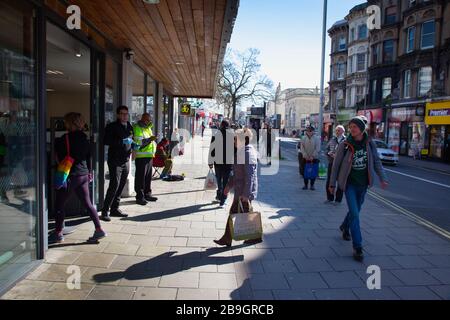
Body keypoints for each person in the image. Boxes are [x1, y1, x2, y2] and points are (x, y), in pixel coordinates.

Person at [329, 116, 388, 262]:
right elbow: (336, 166)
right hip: (349, 185)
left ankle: (344, 226)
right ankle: (358, 246)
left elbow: (376, 162)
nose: (352, 129)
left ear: (361, 129)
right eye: (350, 127)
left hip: (363, 185)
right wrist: (332, 184)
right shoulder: (345, 145)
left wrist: (383, 177)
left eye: (354, 127)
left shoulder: (369, 143)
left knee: (355, 212)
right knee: (355, 213)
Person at [54, 113, 107, 243]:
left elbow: (59, 158)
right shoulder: (85, 139)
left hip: (70, 175)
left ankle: (58, 233)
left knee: (59, 205)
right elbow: (89, 157)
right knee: (88, 204)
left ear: (69, 123)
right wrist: (89, 172)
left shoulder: (64, 139)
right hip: (83, 175)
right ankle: (99, 229)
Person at [214, 127, 260, 247]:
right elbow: (237, 173)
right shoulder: (242, 151)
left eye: (235, 139)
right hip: (241, 190)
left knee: (245, 214)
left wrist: (246, 194)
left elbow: (250, 176)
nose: (234, 141)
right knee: (239, 213)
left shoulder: (248, 153)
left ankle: (253, 237)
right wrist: (229, 186)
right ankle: (227, 238)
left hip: (244, 191)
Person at [102, 106, 135, 221]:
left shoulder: (129, 126)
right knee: (114, 185)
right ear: (117, 115)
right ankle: (105, 210)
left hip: (126, 159)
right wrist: (121, 141)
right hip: (115, 160)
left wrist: (134, 145)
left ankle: (115, 208)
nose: (124, 116)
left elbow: (132, 139)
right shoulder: (112, 126)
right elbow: (106, 141)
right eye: (122, 113)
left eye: (126, 114)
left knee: (121, 185)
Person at [133, 113, 158, 205]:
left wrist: (152, 139)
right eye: (146, 119)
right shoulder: (137, 127)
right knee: (140, 178)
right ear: (142, 119)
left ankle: (147, 194)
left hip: (149, 156)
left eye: (149, 119)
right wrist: (150, 139)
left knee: (148, 177)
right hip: (141, 156)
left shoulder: (148, 128)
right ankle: (139, 197)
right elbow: (139, 143)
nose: (148, 121)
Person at [208, 120, 233, 206]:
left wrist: (210, 162)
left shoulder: (216, 135)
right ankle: (223, 199)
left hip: (217, 162)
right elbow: (235, 150)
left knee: (219, 179)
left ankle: (219, 195)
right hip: (228, 163)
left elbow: (212, 150)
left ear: (221, 125)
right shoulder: (232, 136)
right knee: (226, 181)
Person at [325, 125, 346, 204]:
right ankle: (329, 198)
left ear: (343, 131)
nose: (337, 132)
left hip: (342, 165)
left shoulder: (346, 141)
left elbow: (348, 154)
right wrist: (328, 153)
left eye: (339, 130)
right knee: (329, 181)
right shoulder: (332, 139)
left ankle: (338, 200)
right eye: (336, 130)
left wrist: (339, 157)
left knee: (340, 182)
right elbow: (326, 150)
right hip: (332, 163)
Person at [300, 126, 321, 190]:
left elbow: (318, 148)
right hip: (305, 158)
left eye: (310, 131)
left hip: (314, 158)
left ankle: (312, 185)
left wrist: (312, 156)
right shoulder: (303, 138)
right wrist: (305, 155)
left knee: (313, 172)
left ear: (313, 131)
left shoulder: (317, 138)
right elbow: (302, 147)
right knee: (305, 172)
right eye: (307, 131)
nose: (308, 132)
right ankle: (305, 185)